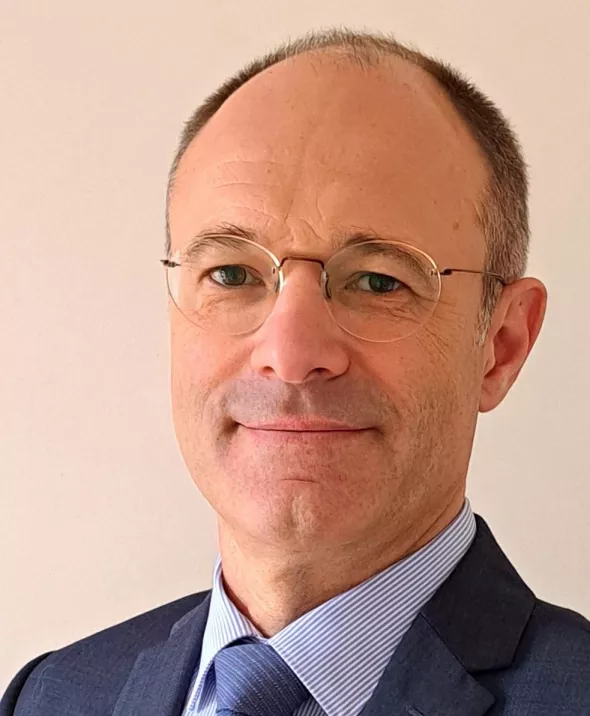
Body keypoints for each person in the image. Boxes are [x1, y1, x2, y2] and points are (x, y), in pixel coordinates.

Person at [2, 26, 589, 716]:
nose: (290, 352)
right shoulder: (52, 695)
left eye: (378, 281)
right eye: (232, 273)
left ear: (502, 344)